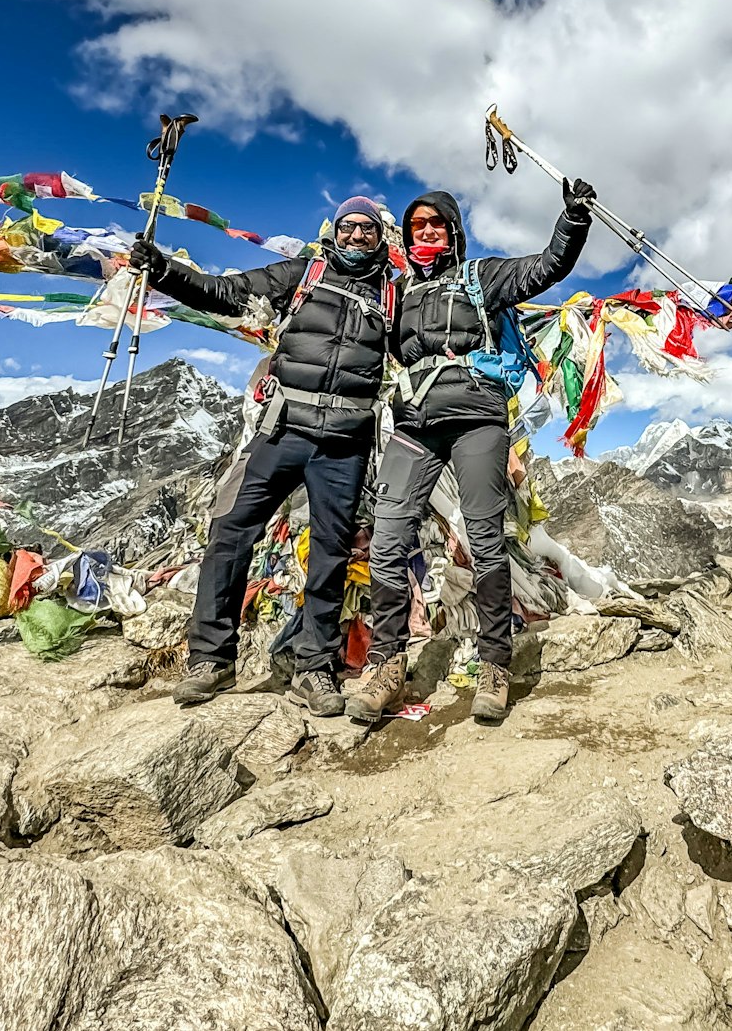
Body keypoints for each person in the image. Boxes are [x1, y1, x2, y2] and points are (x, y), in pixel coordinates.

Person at [129, 197, 394, 716]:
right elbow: (228, 293)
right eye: (349, 226)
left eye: (367, 228)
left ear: (380, 236)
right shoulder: (304, 273)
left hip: (345, 441)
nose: (357, 235)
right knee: (231, 528)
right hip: (283, 426)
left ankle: (315, 667)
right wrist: (163, 271)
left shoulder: (393, 292)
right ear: (335, 231)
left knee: (331, 553)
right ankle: (211, 658)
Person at [350, 177, 595, 724]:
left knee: (485, 536)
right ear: (407, 236)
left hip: (479, 422)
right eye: (418, 226)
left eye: (436, 224)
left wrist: (573, 219)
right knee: (388, 539)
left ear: (454, 231)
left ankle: (495, 665)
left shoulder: (481, 277)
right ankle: (387, 667)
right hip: (414, 424)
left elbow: (547, 266)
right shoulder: (398, 293)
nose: (427, 232)